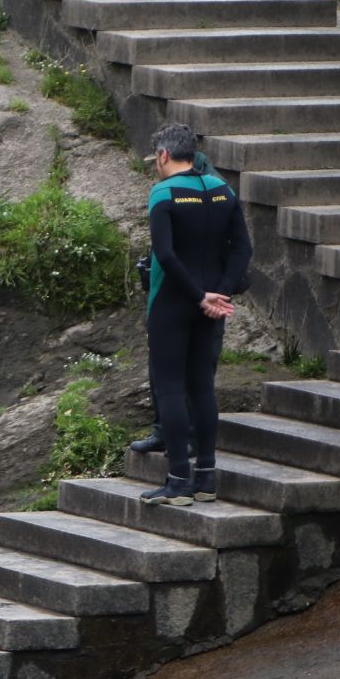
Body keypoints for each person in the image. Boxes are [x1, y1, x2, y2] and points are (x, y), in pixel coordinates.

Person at [140, 123, 251, 506]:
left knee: (170, 387)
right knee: (202, 387)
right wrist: (218, 292)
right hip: (213, 302)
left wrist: (198, 295)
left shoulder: (163, 192)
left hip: (173, 301)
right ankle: (206, 477)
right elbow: (242, 249)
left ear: (164, 155)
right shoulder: (223, 190)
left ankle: (178, 481)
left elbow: (165, 255)